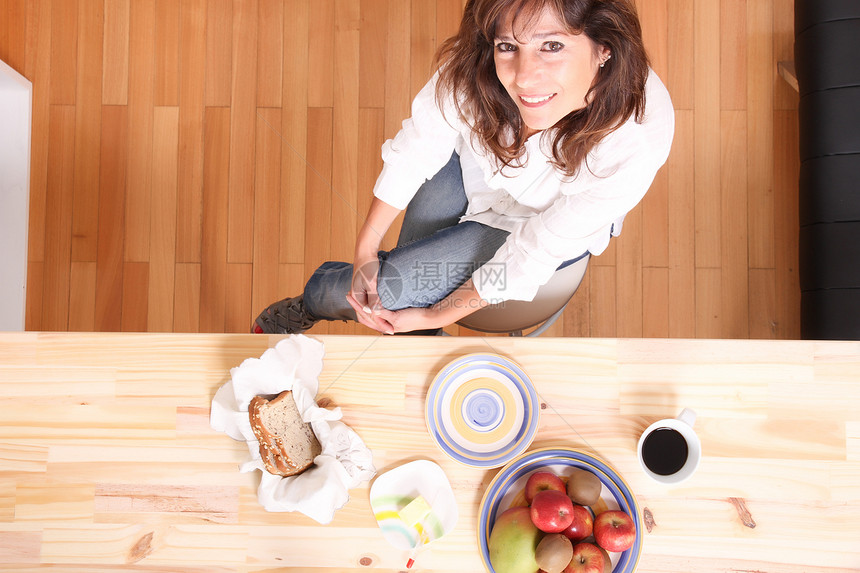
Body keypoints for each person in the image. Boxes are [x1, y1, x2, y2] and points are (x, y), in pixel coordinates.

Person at [253, 0, 674, 335]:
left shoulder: (633, 141)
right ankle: (389, 321)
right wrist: (366, 245)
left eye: (552, 46)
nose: (524, 78)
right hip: (470, 169)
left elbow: (532, 253)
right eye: (508, 46)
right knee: (392, 291)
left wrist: (437, 316)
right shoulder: (476, 67)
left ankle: (308, 303)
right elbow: (418, 146)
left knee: (394, 292)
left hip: (533, 224)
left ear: (603, 49)